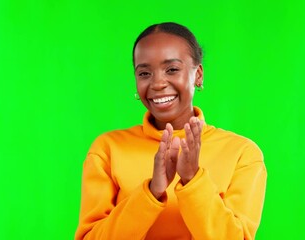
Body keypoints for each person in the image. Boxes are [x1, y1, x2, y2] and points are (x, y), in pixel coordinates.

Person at [74, 22, 267, 240]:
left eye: (172, 69)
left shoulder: (242, 153)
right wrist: (151, 193)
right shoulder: (108, 149)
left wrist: (193, 180)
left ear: (199, 75)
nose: (157, 83)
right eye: (144, 73)